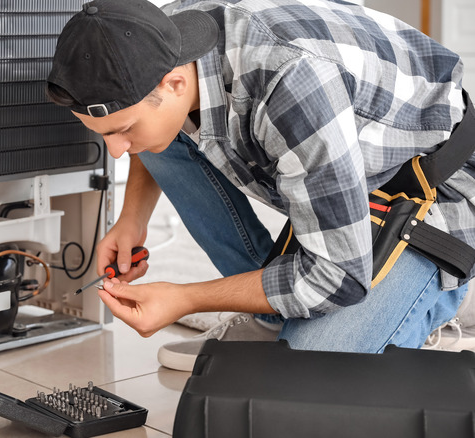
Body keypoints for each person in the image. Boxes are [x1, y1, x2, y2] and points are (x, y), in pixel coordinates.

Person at [46, 0, 475, 371]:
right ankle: (272, 314)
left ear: (174, 82)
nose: (117, 152)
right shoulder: (159, 37)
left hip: (430, 189)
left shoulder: (293, 83)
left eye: (122, 130)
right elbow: (154, 130)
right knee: (162, 132)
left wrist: (187, 298)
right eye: (103, 134)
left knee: (309, 380)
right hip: (337, 159)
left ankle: (443, 297)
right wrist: (131, 219)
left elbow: (338, 276)